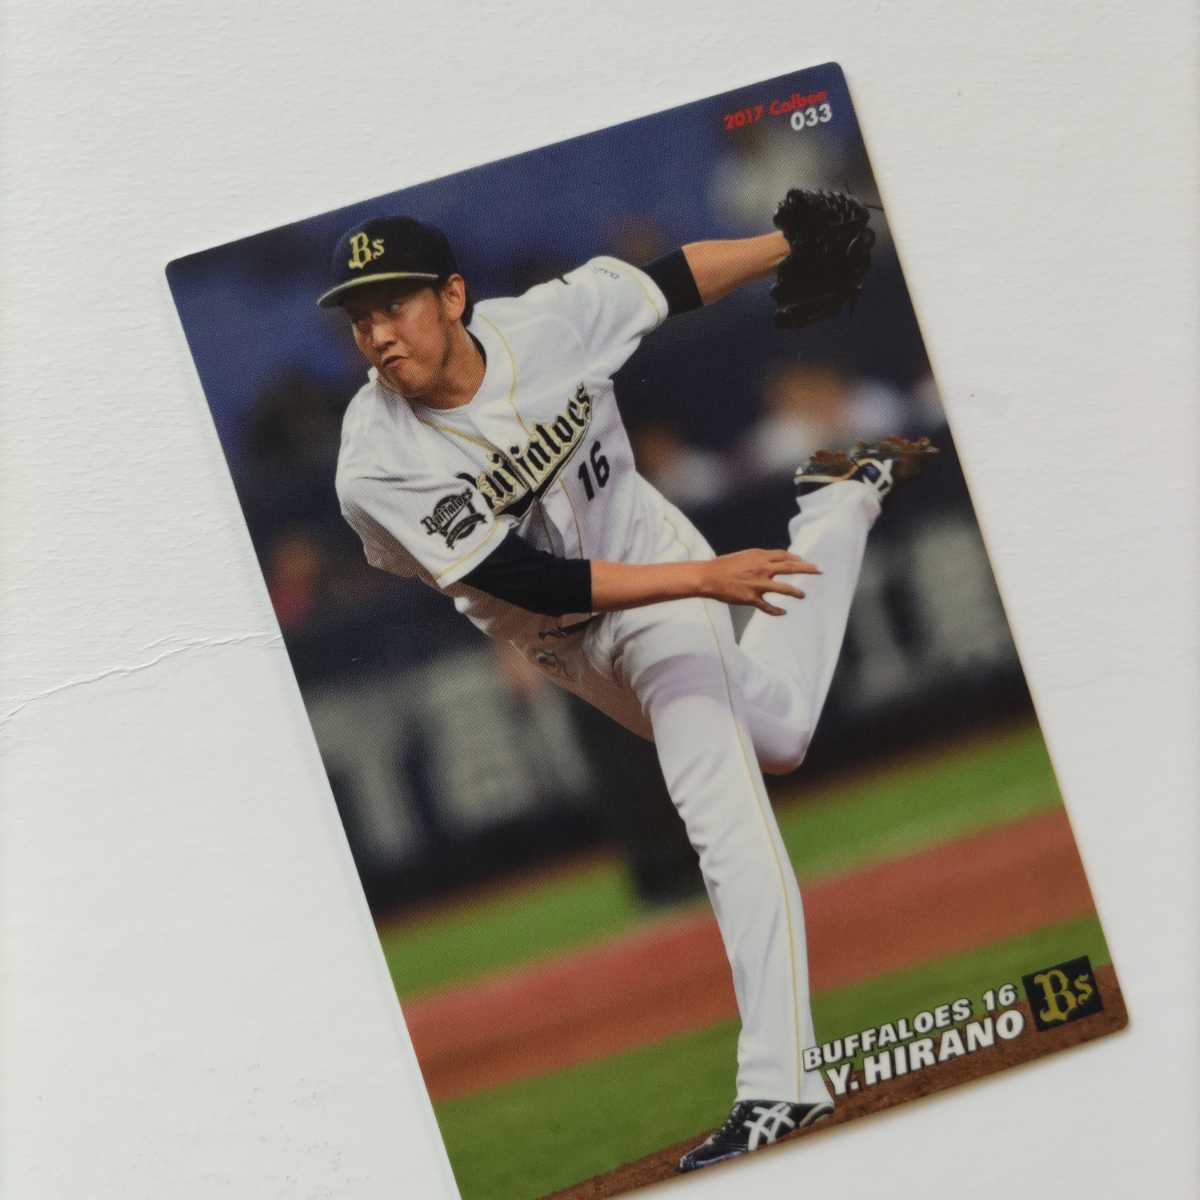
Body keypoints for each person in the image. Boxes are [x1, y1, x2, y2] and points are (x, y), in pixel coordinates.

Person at [319, 213, 935, 1171]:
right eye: (360, 319)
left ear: (452, 296)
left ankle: (781, 1084)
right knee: (779, 738)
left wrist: (796, 240)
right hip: (559, 635)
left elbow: (669, 281)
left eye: (394, 305)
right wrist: (709, 578)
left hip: (652, 574)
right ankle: (840, 500)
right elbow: (530, 580)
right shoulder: (374, 461)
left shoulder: (549, 324)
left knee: (719, 809)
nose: (378, 334)